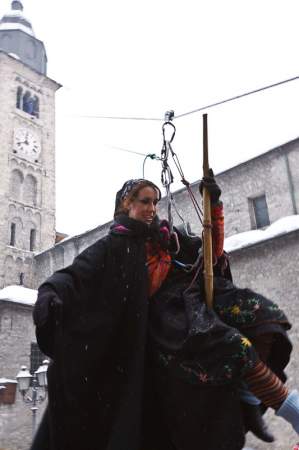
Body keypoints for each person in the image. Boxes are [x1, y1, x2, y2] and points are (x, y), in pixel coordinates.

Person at [32, 176, 299, 450]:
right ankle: (289, 408)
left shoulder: (168, 237)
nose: (151, 208)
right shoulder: (109, 247)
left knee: (261, 315)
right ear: (126, 204)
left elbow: (211, 254)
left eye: (155, 202)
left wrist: (214, 206)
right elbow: (73, 276)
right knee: (232, 346)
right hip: (164, 328)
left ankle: (248, 398)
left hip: (192, 308)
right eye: (144, 201)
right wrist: (49, 295)